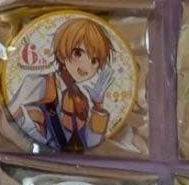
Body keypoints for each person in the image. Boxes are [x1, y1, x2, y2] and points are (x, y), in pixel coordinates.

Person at [10, 17, 115, 152]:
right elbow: (9, 116)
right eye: (78, 53)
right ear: (61, 54)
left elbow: (90, 142)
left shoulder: (81, 99)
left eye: (94, 61)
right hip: (37, 156)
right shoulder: (40, 83)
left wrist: (98, 106)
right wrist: (31, 125)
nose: (86, 66)